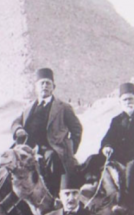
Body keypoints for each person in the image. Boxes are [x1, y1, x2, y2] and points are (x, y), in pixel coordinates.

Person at [11, 68, 83, 196]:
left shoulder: (63, 107)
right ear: (36, 87)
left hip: (52, 147)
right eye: (42, 83)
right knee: (4, 162)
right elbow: (15, 123)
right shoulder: (28, 108)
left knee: (51, 160)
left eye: (48, 83)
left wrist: (70, 149)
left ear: (53, 87)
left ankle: (52, 196)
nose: (45, 86)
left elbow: (77, 129)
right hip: (28, 147)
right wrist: (19, 129)